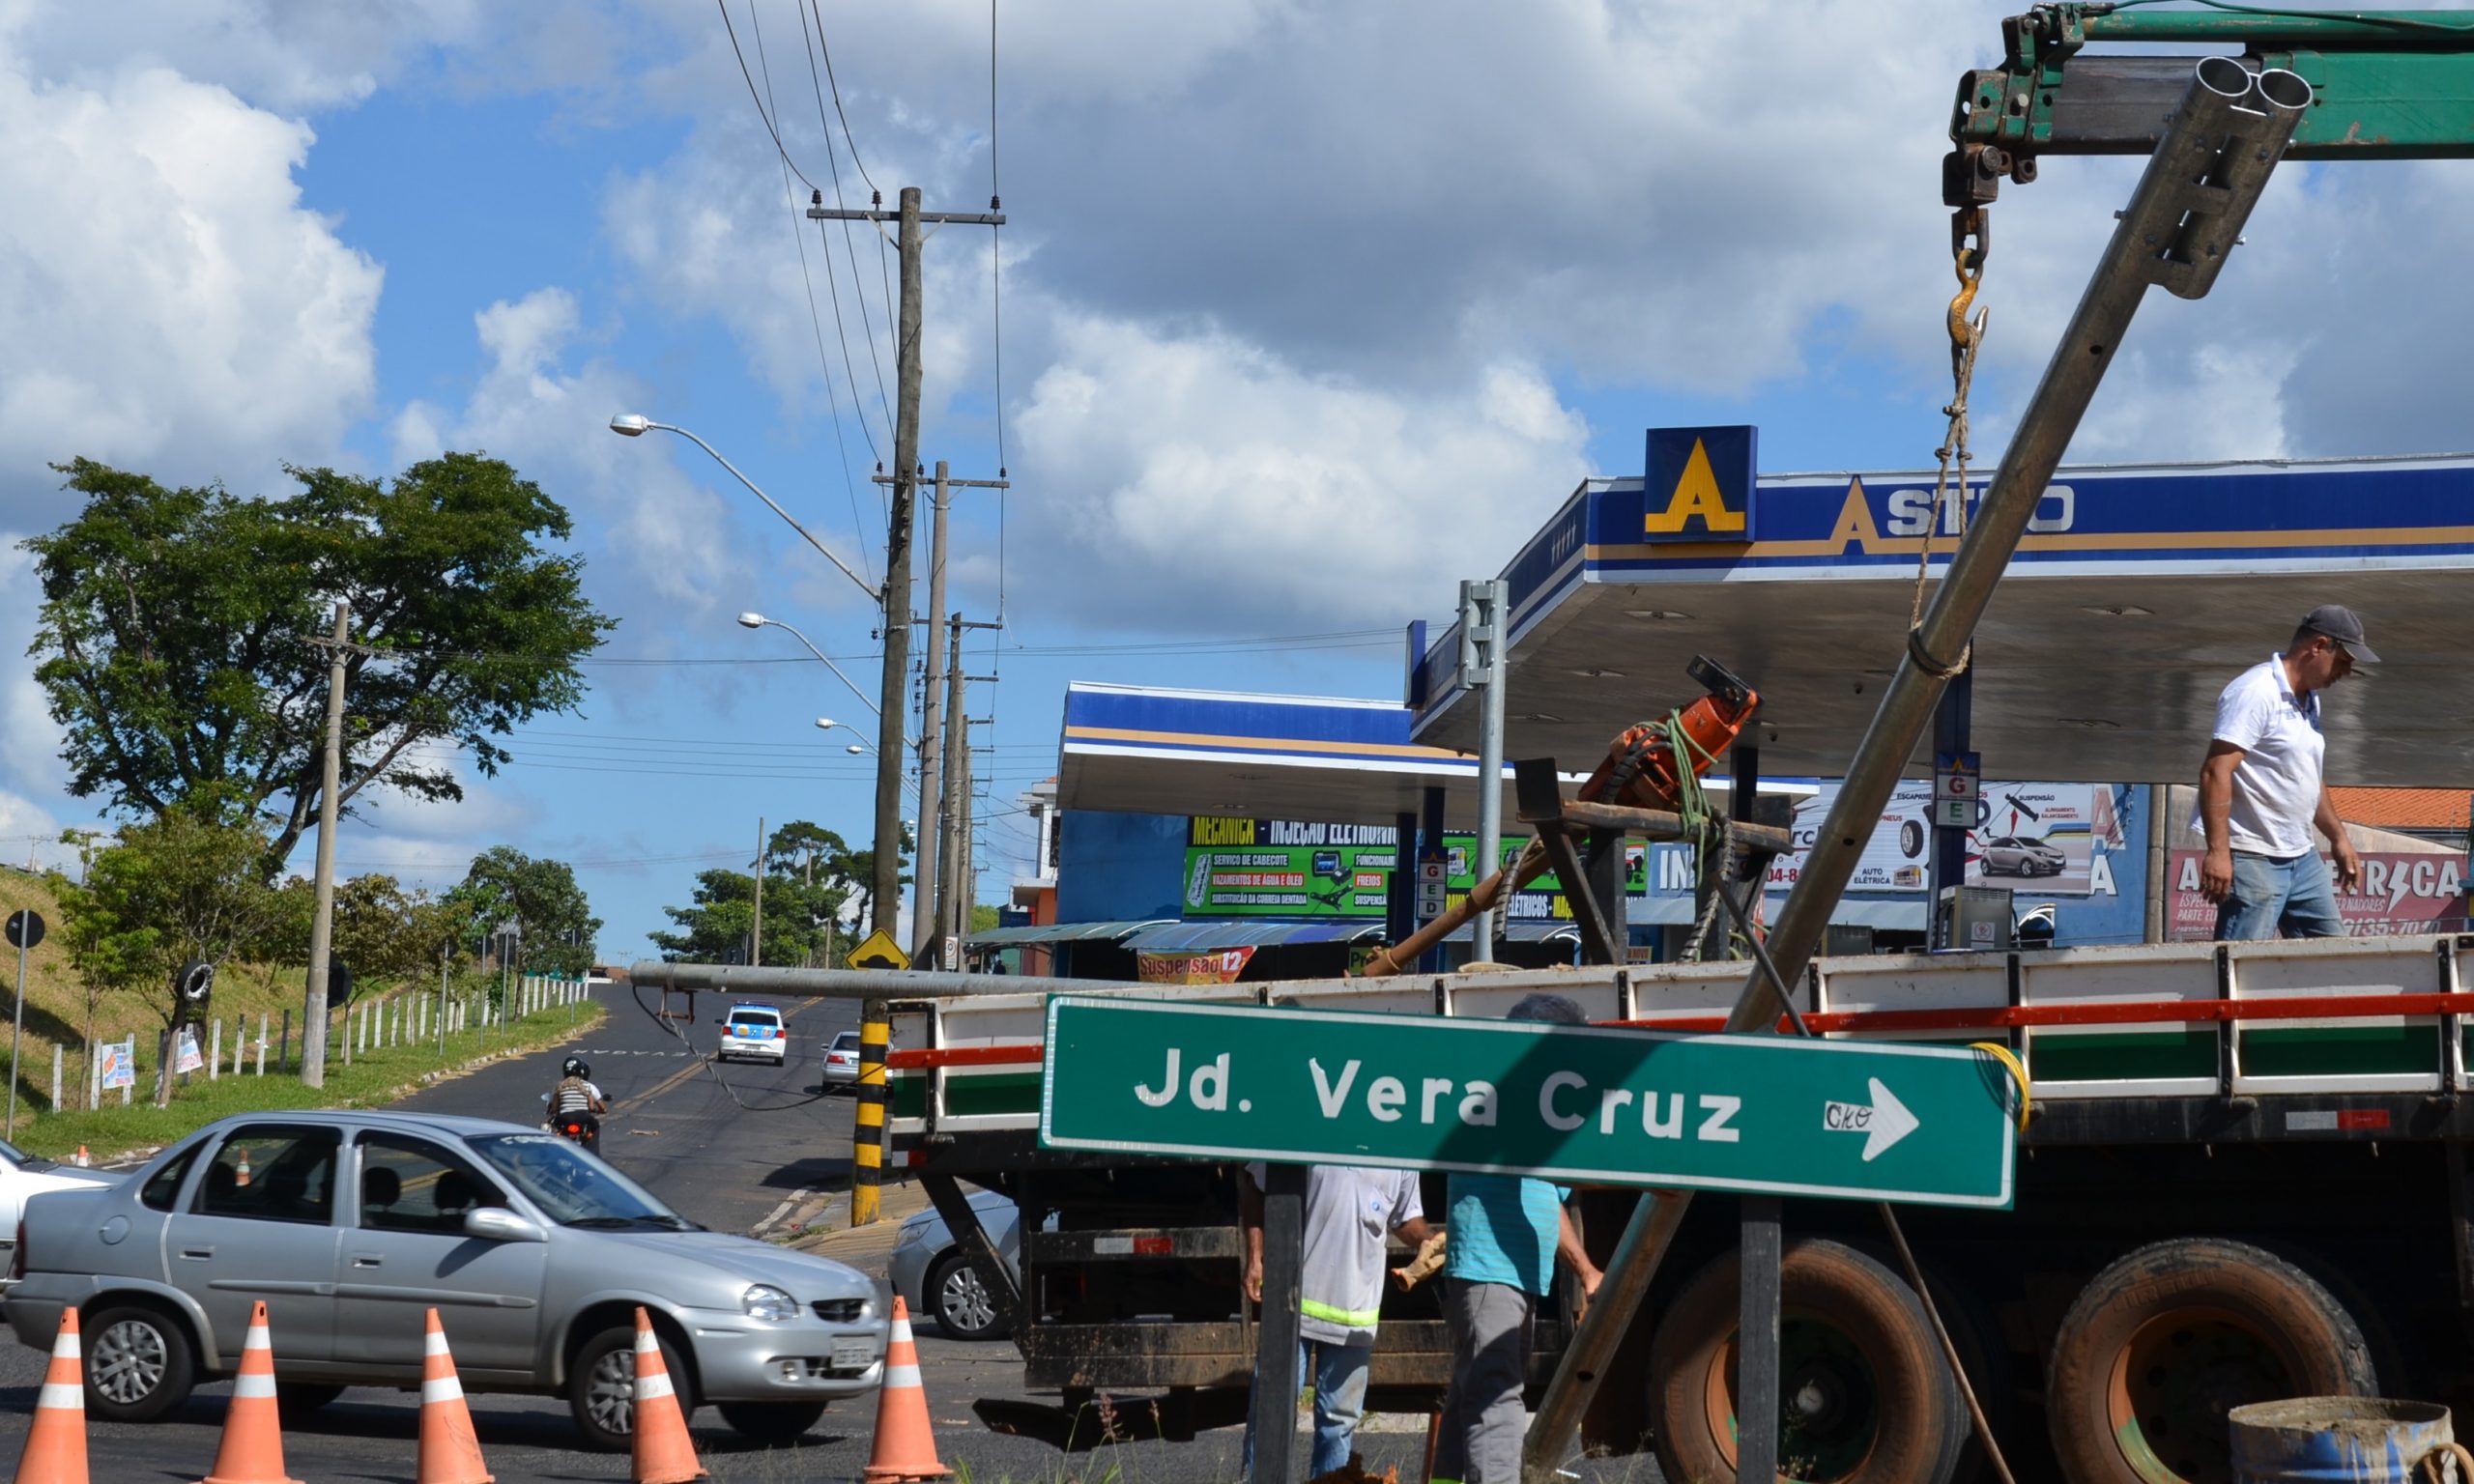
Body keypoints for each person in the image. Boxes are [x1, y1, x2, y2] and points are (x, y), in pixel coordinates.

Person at [1432, 992, 1603, 1484]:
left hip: (1510, 1270)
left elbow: (1546, 1198)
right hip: (1489, 1266)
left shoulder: (1534, 1109)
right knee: (1497, 1401)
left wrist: (1586, 1270)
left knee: (1473, 1392)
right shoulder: (1499, 1098)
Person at [1240, 1162, 1429, 1479]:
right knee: (1270, 1419)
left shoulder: (1399, 1144)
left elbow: (1406, 1217)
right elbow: (1257, 1187)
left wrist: (1429, 1238)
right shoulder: (1314, 1120)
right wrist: (1255, 1256)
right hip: (1292, 1309)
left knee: (1337, 1430)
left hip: (1355, 1317)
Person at [2196, 605, 2374, 940]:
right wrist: (2218, 852)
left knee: (2335, 956)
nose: (2346, 672)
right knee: (2238, 966)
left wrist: (2338, 838)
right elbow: (2215, 770)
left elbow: (2306, 776)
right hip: (2252, 856)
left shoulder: (2308, 699)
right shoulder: (2255, 691)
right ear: (2319, 646)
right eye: (2344, 661)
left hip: (2301, 856)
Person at [547, 1055, 606, 1152]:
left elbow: (554, 1108)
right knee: (595, 1126)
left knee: (556, 1129)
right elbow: (592, 1107)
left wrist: (554, 1111)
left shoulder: (559, 1086)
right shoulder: (588, 1086)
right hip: (583, 1116)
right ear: (581, 1071)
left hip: (564, 1117)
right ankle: (594, 1154)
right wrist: (601, 1110)